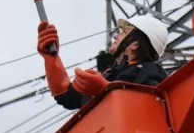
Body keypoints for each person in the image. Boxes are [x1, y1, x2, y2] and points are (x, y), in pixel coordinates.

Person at [37, 15, 170, 110]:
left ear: (135, 44)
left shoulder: (152, 71)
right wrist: (51, 59)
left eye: (123, 32)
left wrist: (105, 90)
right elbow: (67, 97)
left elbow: (148, 110)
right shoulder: (111, 74)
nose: (116, 36)